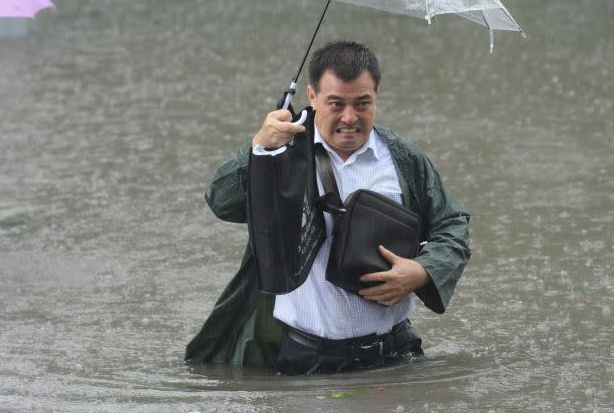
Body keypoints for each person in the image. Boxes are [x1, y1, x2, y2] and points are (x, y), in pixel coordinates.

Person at [185, 40, 471, 374]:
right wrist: (258, 148)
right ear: (312, 96)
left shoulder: (404, 159)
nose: (350, 117)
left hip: (396, 356)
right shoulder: (281, 157)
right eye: (336, 104)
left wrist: (421, 272)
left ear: (377, 93)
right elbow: (220, 200)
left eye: (362, 103)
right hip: (308, 361)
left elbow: (453, 225)